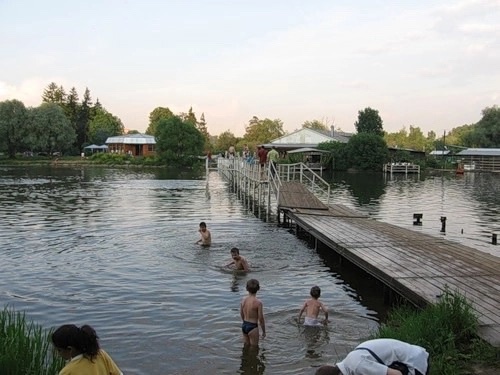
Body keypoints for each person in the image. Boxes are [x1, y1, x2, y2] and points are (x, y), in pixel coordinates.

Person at [315, 338, 430, 375]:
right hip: (413, 353)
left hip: (415, 364)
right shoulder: (350, 360)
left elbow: (397, 374)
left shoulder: (358, 366)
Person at [51, 324, 123, 375]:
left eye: (59, 350)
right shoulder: (100, 354)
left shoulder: (67, 371)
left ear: (70, 349)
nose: (58, 354)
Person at [240, 278, 266, 346]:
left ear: (246, 288)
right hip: (253, 327)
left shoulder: (243, 300)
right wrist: (264, 331)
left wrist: (244, 323)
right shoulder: (258, 303)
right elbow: (261, 319)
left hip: (244, 325)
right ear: (258, 288)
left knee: (246, 345)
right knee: (254, 349)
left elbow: (241, 314)